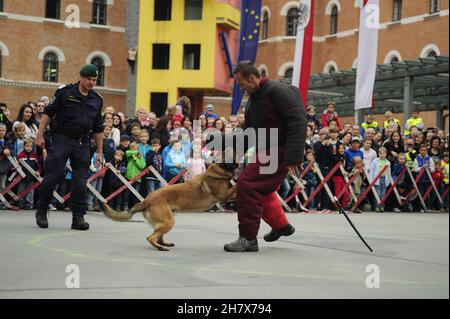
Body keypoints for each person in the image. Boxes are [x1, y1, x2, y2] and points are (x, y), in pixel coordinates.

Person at [223, 61, 306, 252]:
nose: (240, 87)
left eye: (242, 83)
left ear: (252, 78)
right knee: (264, 189)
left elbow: (298, 120)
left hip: (279, 148)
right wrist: (234, 153)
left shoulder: (277, 91)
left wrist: (294, 156)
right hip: (267, 148)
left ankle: (248, 239)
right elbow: (249, 130)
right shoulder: (254, 97)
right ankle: (281, 226)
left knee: (247, 185)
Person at [34, 64, 104, 230]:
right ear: (81, 77)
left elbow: (98, 128)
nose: (91, 83)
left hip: (82, 143)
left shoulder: (97, 99)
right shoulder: (65, 92)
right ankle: (42, 209)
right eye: (89, 79)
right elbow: (48, 113)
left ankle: (78, 217)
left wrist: (100, 151)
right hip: (62, 139)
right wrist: (39, 134)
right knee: (52, 175)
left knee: (80, 181)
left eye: (94, 80)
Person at [369, 147, 391, 212]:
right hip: (377, 179)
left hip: (384, 178)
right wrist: (372, 180)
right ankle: (377, 207)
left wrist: (389, 181)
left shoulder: (388, 162)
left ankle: (382, 206)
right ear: (378, 154)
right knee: (377, 193)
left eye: (383, 153)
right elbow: (371, 170)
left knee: (383, 194)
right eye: (380, 153)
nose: (382, 155)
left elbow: (389, 172)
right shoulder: (375, 161)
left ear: (386, 154)